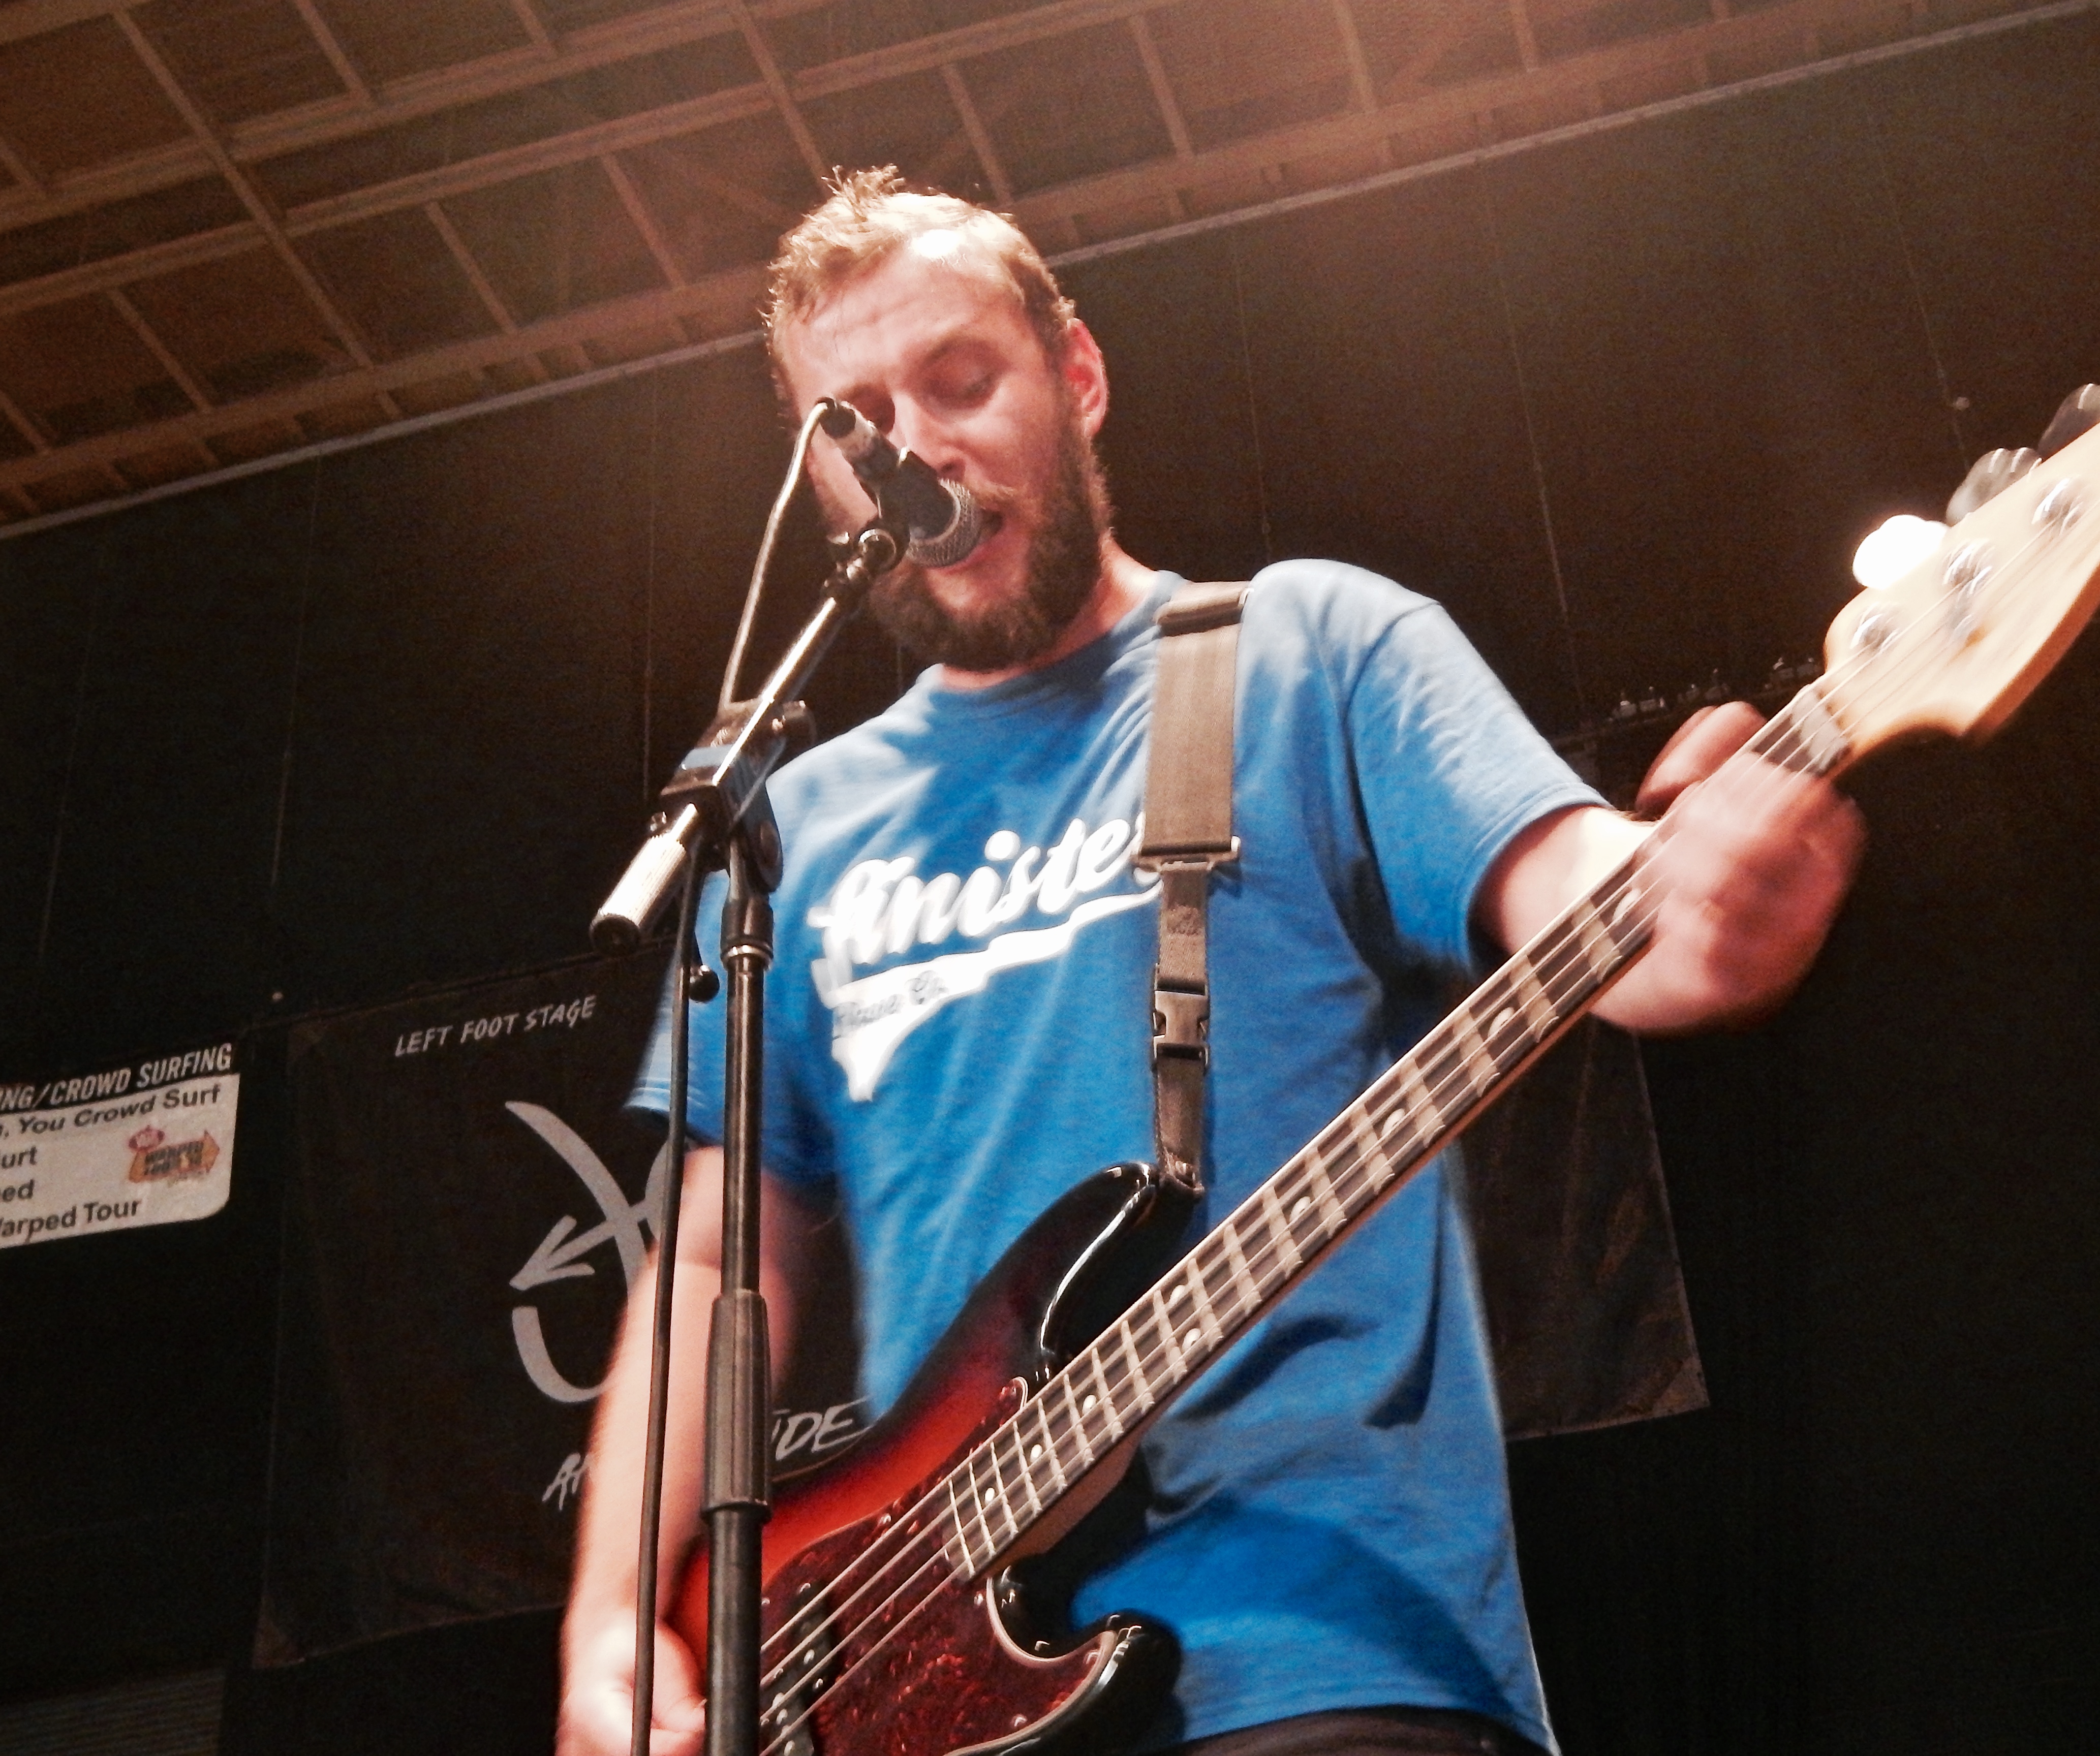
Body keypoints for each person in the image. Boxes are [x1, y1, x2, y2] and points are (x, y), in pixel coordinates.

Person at [559, 168, 1863, 1756]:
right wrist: (613, 1621)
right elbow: (716, 1264)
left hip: (1326, 1666)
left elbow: (1590, 896)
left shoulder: (1313, 648)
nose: (920, 451)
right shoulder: (801, 830)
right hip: (931, 1700)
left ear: (1078, 376)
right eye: (861, 425)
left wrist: (1700, 905)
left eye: (962, 381)